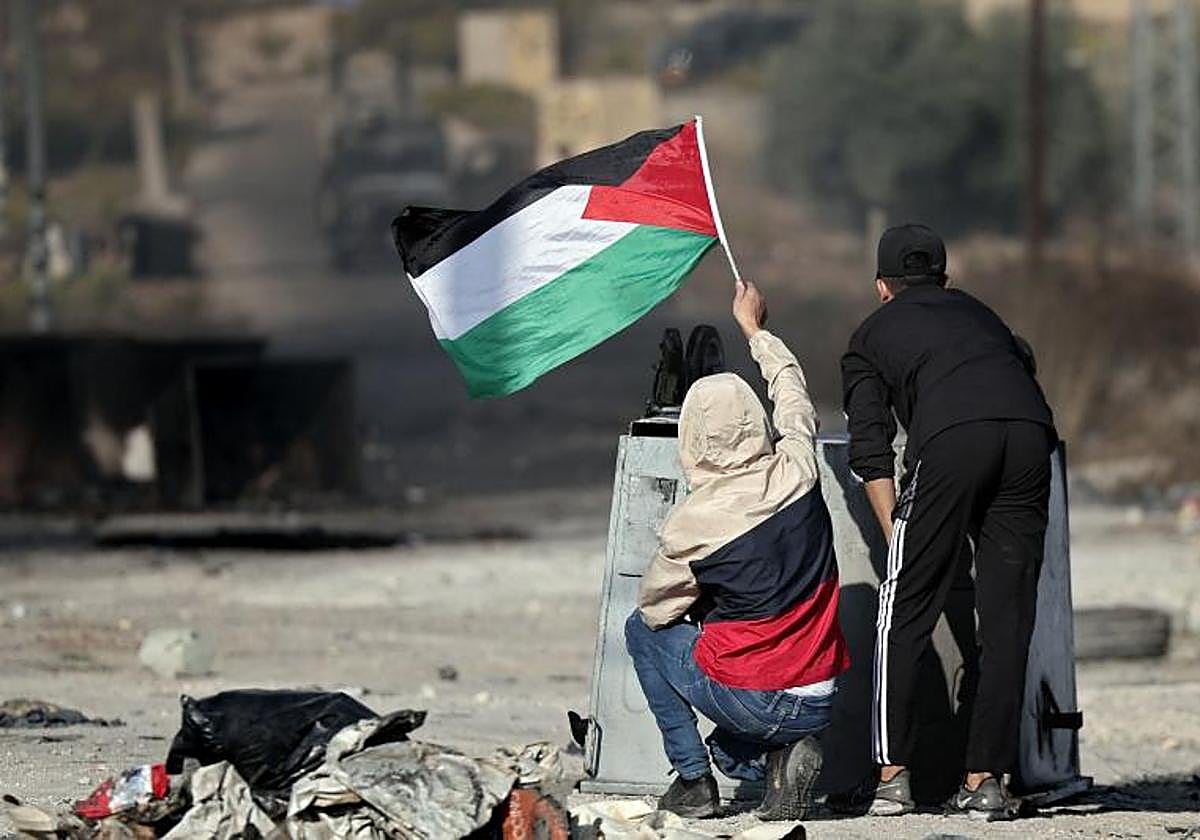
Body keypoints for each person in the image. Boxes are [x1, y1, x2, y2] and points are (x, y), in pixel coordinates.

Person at [841, 224, 1056, 820]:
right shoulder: (982, 315)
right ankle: (986, 779)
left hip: (953, 443)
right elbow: (1021, 365)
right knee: (1009, 618)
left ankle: (891, 775)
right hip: (1031, 434)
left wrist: (895, 535)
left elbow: (870, 447)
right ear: (944, 278)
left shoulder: (870, 336)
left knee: (901, 611)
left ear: (883, 286)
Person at [625, 279, 851, 820]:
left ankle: (692, 780)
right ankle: (779, 768)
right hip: (821, 693)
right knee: (737, 740)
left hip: (756, 698)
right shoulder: (799, 467)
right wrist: (754, 327)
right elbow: (792, 392)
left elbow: (658, 611)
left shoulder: (691, 526)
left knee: (639, 631)